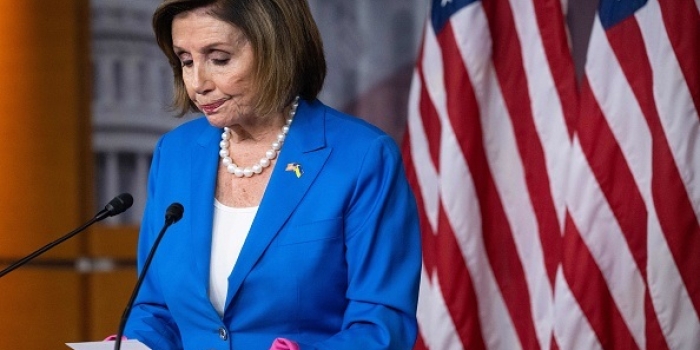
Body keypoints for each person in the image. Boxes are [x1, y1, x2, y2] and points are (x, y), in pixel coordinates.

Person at [124, 0, 422, 348]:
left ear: (275, 49)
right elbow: (155, 308)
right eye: (186, 61)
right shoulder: (174, 154)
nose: (197, 82)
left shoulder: (362, 157)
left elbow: (382, 326)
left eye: (219, 58)